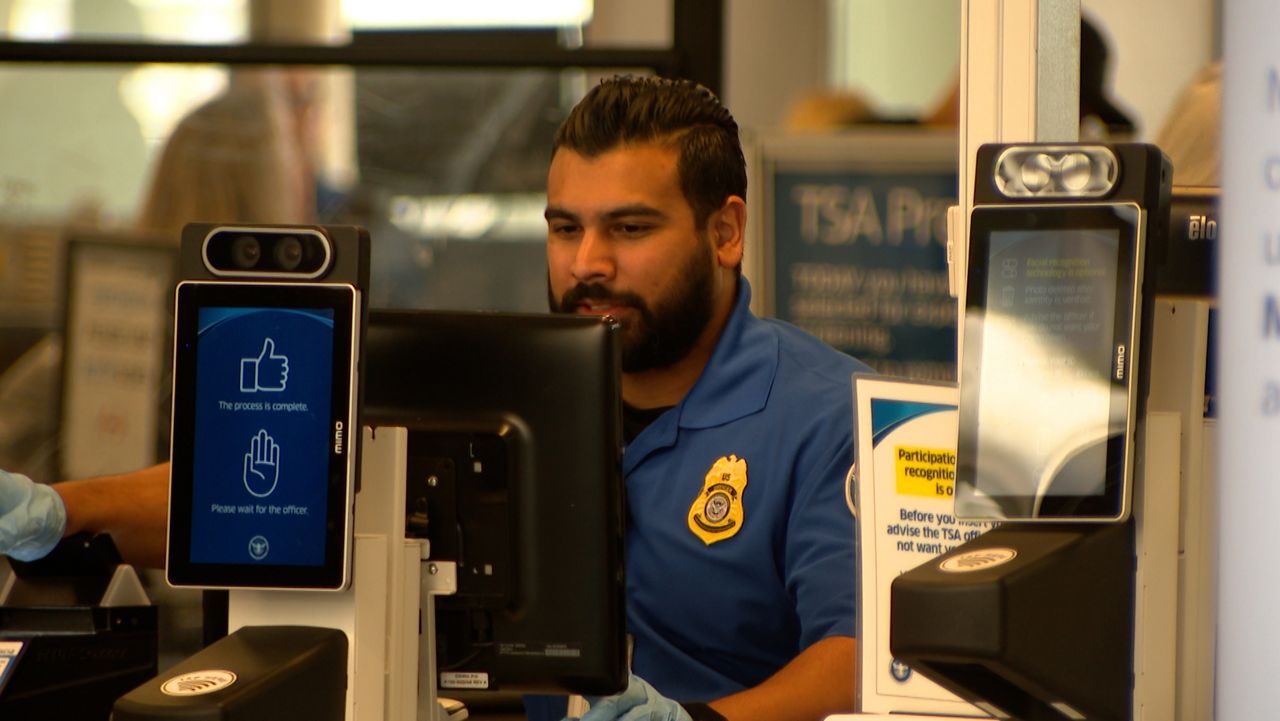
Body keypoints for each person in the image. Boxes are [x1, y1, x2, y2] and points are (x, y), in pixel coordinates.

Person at [0, 75, 870, 721]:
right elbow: (262, 498)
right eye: (565, 227)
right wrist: (61, 508)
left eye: (629, 228)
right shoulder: (503, 385)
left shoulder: (827, 412)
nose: (587, 263)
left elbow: (860, 654)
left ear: (726, 231)